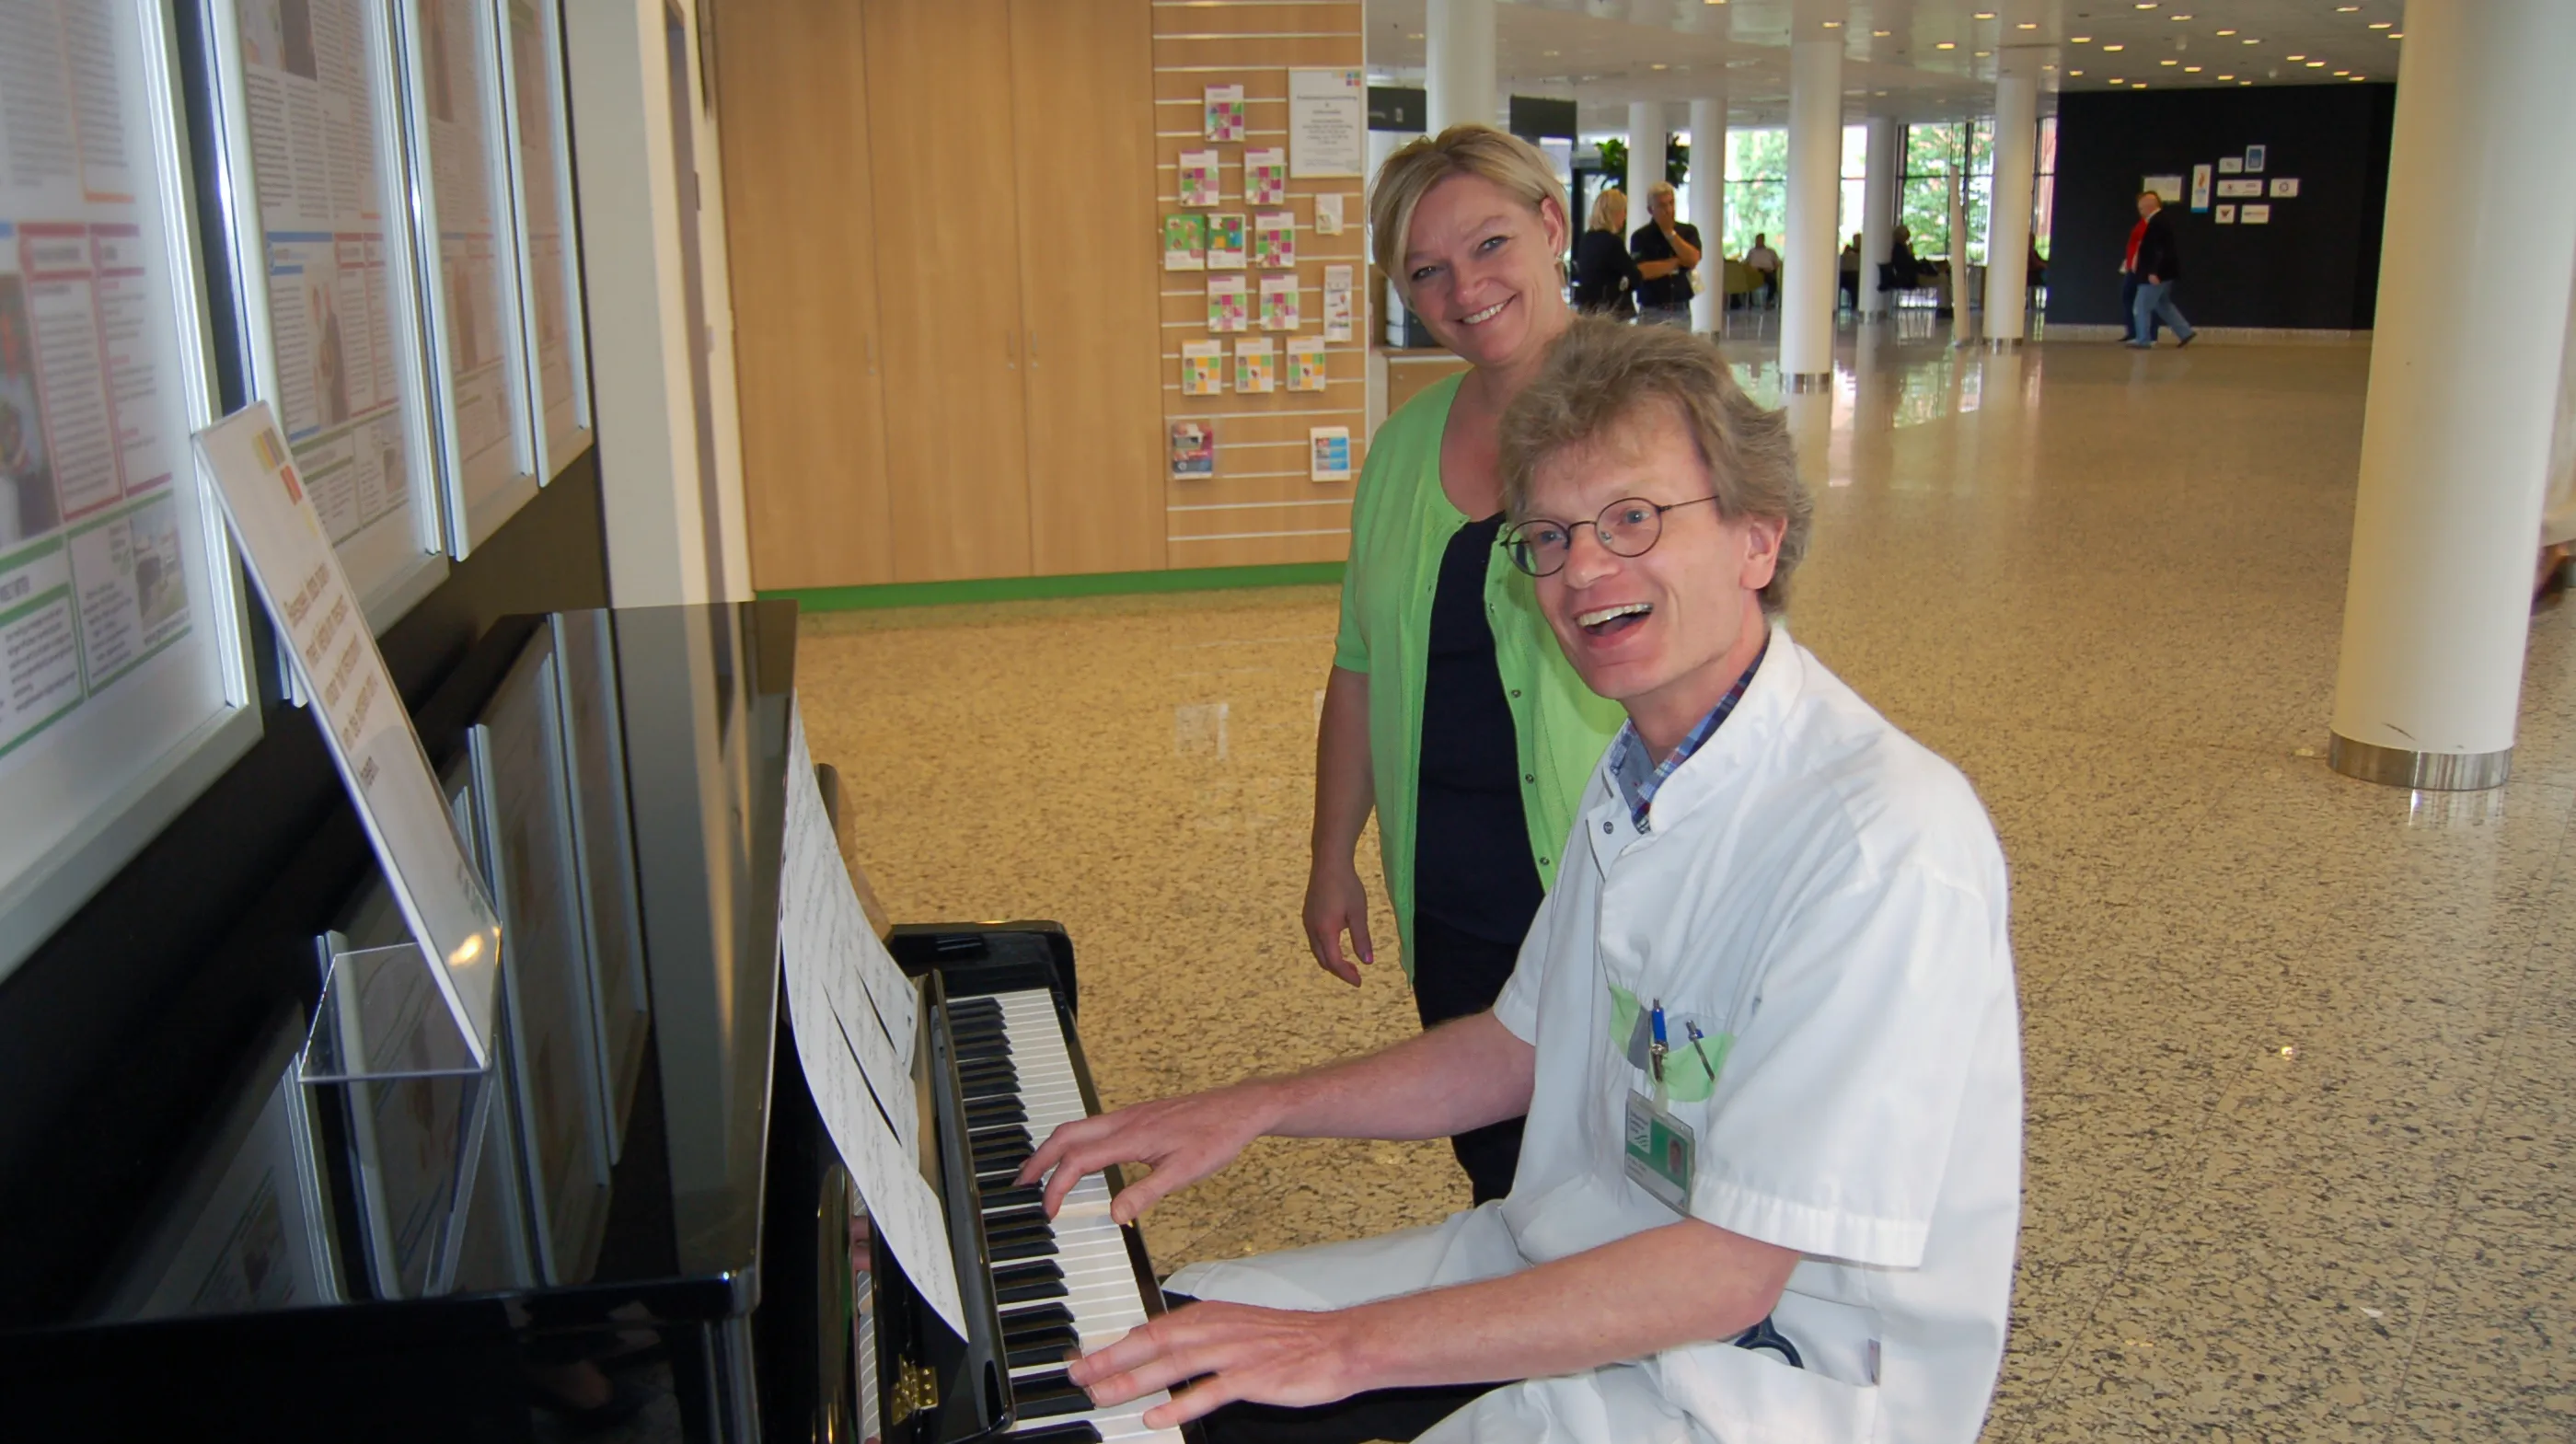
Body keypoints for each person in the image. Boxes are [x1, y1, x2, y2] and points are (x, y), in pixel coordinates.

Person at [1020, 318, 2025, 1444]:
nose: (1587, 567)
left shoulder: (1882, 847)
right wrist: (1259, 1106)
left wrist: (1344, 1350)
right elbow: (1518, 1047)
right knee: (1158, 1346)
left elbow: (1729, 1273)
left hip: (1764, 1378)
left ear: (1757, 539)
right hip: (1570, 1256)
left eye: (1635, 518)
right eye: (1548, 534)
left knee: (1220, 1403)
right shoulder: (1637, 764)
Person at [1300, 124, 1626, 1206]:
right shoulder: (1403, 445)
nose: (1465, 288)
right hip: (1451, 891)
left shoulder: (1647, 420)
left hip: (1610, 887)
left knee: (1624, 1159)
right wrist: (1333, 853)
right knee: (1501, 1165)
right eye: (1427, 271)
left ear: (1549, 225)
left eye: (1489, 245)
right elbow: (1358, 669)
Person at [2121, 190, 2195, 348]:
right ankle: (2185, 332)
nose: (2140, 212)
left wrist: (2154, 272)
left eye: (2141, 208)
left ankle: (2143, 340)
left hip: (2156, 274)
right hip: (2166, 273)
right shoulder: (2163, 220)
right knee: (2163, 304)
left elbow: (2158, 250)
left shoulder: (2156, 223)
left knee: (2141, 306)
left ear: (2149, 206)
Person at [1627, 181, 1703, 328]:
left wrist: (1670, 234)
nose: (1668, 209)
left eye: (1671, 203)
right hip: (1652, 311)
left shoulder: (1688, 231)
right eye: (1662, 205)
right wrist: (1676, 262)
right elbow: (1643, 271)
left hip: (1681, 310)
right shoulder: (1640, 236)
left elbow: (1692, 259)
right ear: (1650, 209)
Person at [1570, 187, 1643, 318]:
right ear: (1614, 213)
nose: (1625, 216)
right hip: (1610, 312)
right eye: (1623, 211)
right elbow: (1635, 276)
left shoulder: (1586, 239)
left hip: (1589, 309)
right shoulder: (1612, 242)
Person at [1741, 230, 1781, 308]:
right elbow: (1746, 263)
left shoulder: (1770, 251)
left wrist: (1772, 269)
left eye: (1759, 240)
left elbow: (1777, 263)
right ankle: (1749, 302)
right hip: (1754, 272)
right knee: (1745, 281)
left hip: (1767, 271)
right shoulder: (1752, 252)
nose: (1758, 242)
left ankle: (1768, 301)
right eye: (1757, 240)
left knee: (1772, 282)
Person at [1839, 232, 1862, 310]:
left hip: (1853, 275)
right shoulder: (1849, 250)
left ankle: (1854, 306)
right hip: (1847, 274)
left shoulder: (1863, 252)